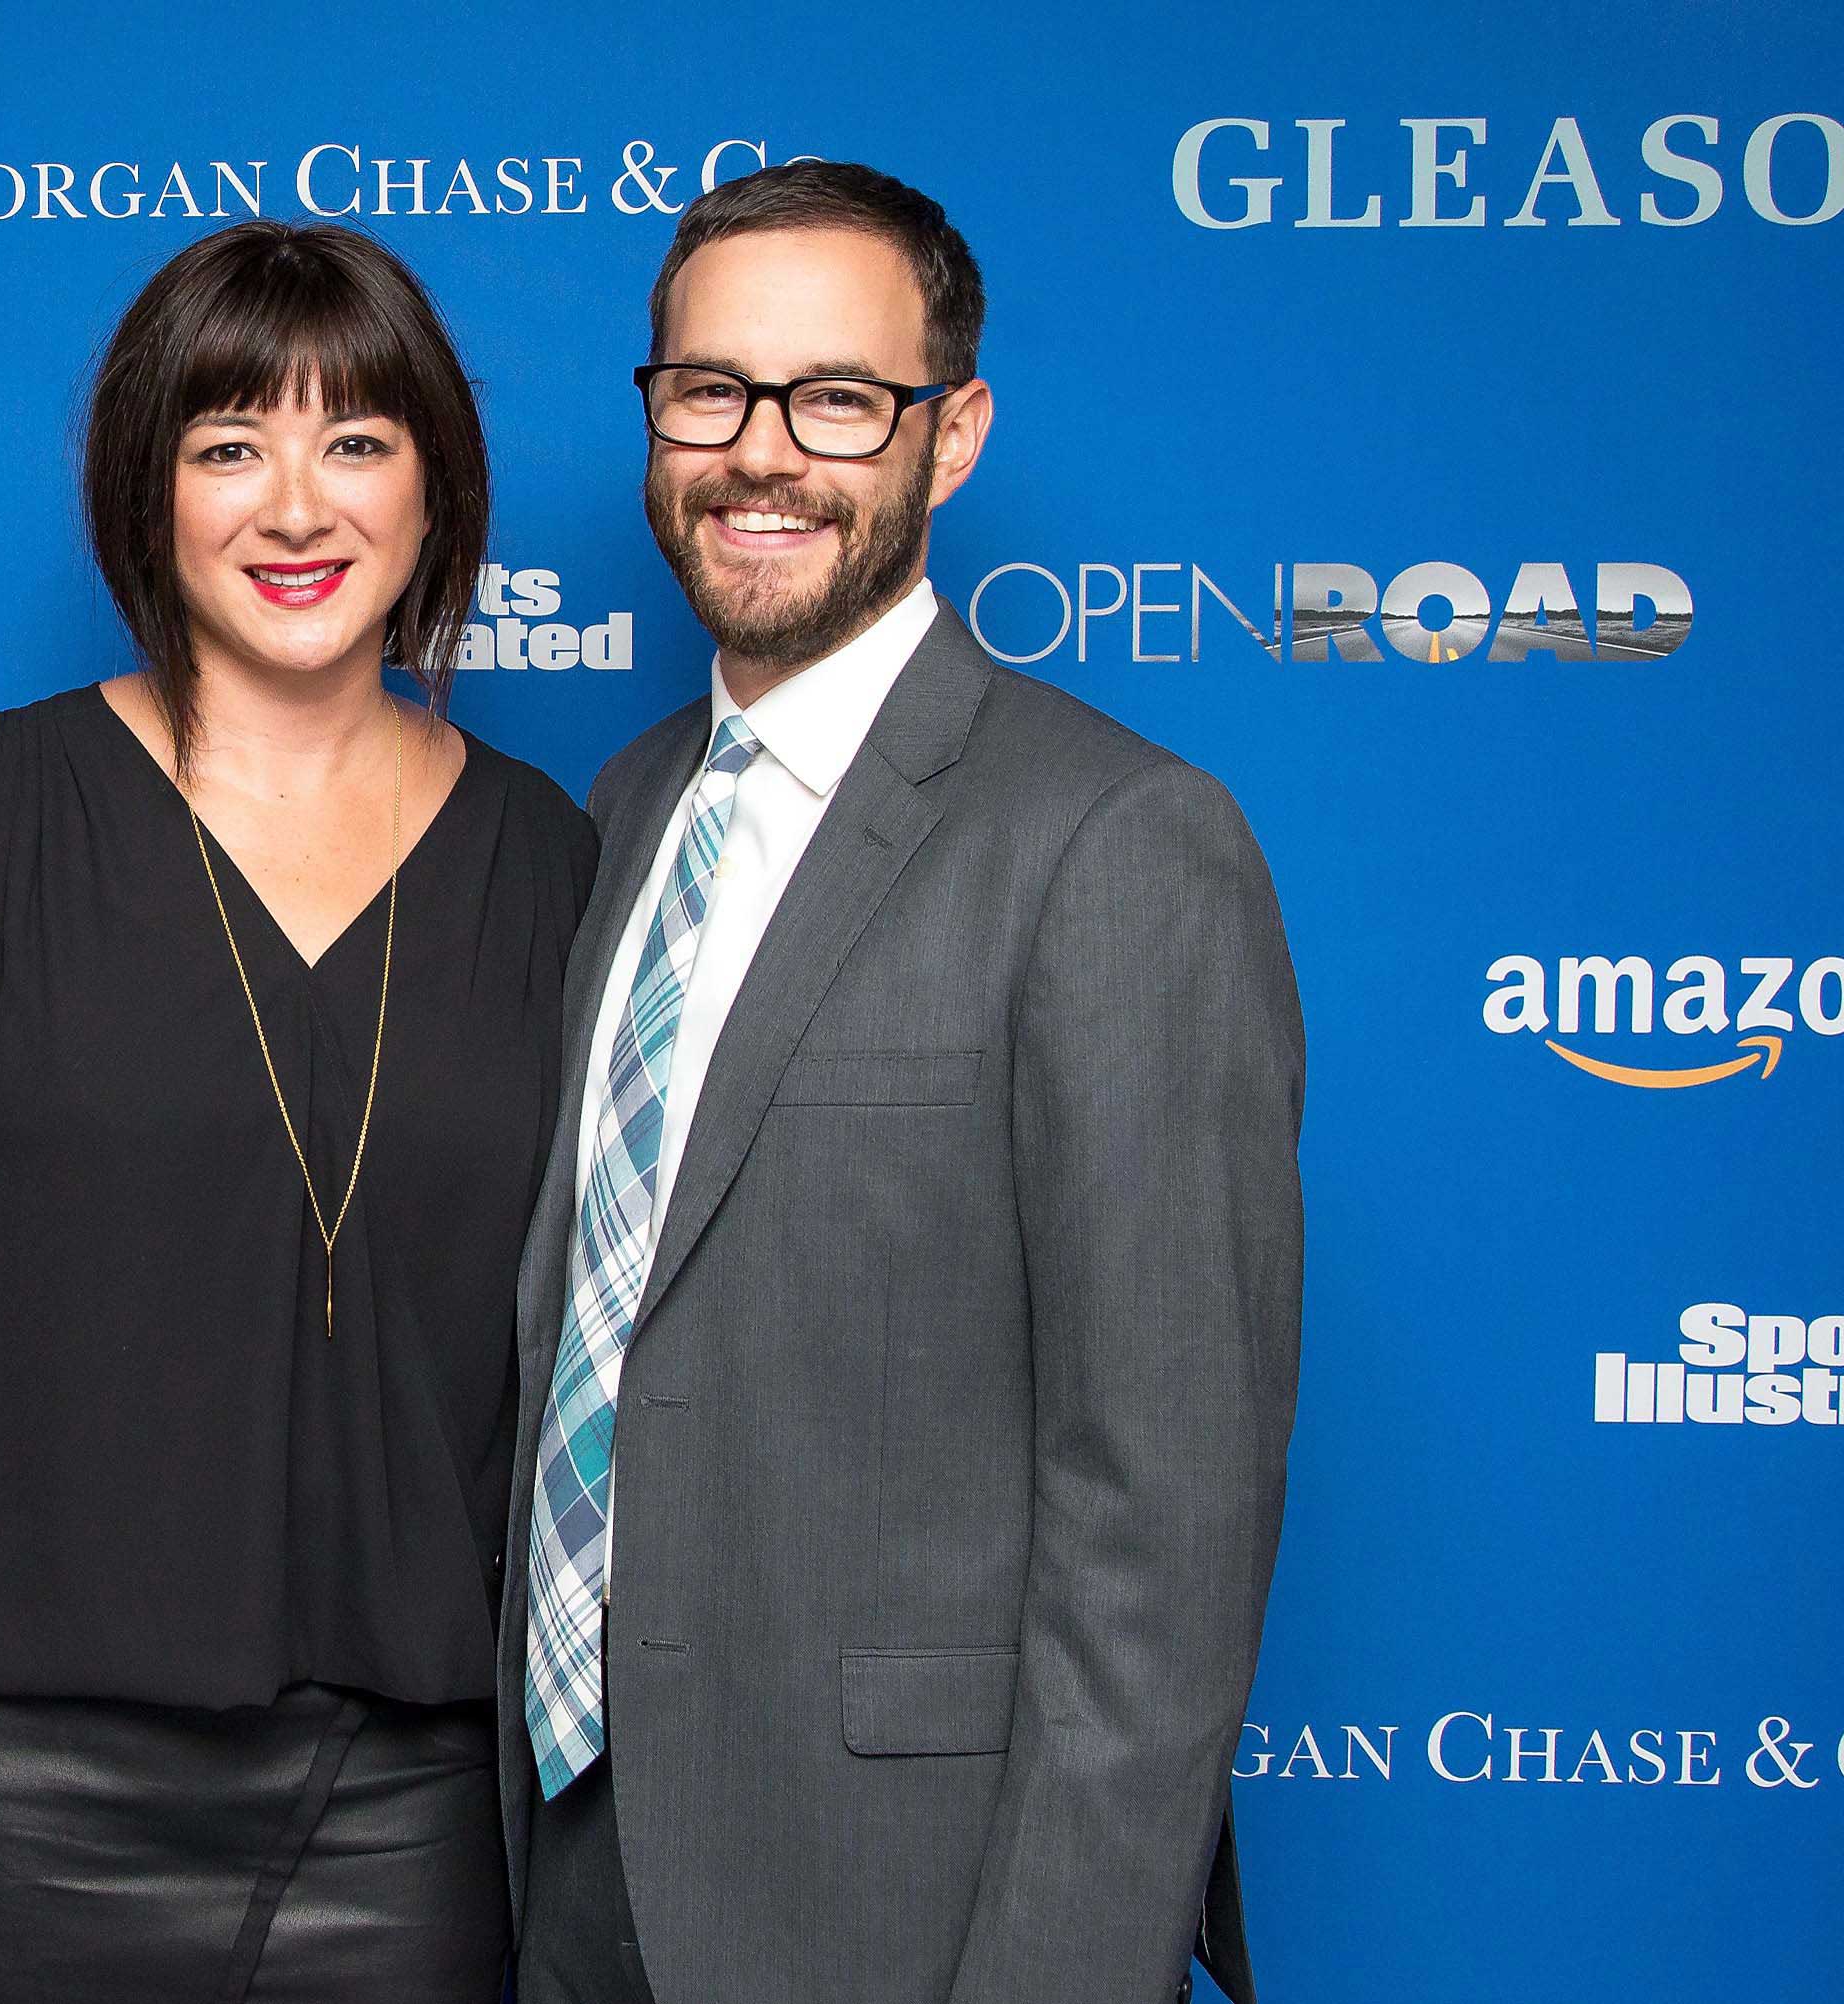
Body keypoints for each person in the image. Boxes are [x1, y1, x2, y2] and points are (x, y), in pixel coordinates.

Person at [0, 219, 597, 2004]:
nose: (296, 507)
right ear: (149, 493)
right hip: (10, 1784)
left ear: (435, 491)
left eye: (357, 443)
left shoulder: (560, 864)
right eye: (226, 448)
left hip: (410, 1801)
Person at [499, 160, 1303, 2004]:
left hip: (900, 1899)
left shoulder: (1119, 840)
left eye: (838, 400)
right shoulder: (627, 810)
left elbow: (1164, 1532)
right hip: (571, 1858)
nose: (760, 453)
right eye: (710, 390)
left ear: (952, 438)